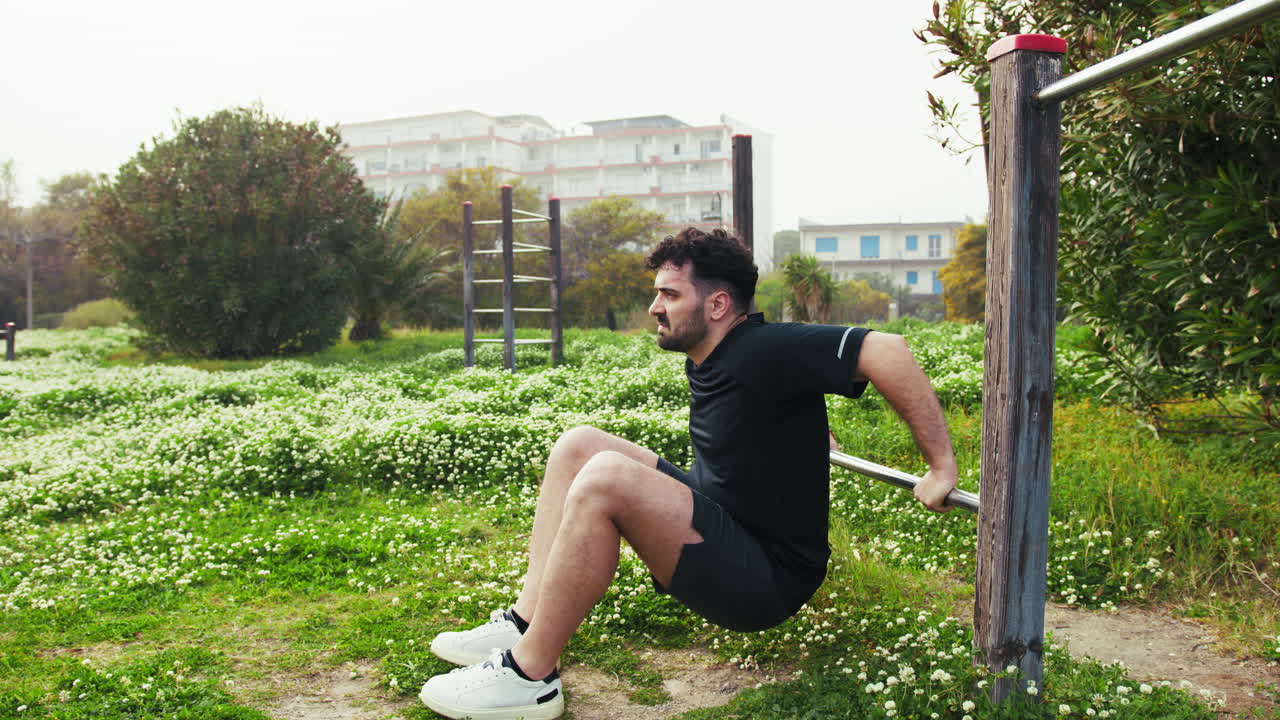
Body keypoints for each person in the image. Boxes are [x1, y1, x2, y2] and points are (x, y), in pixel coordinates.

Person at [418, 228, 959, 720]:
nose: (656, 307)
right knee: (579, 447)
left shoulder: (761, 347)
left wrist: (940, 466)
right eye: (658, 293)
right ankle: (522, 622)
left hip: (763, 578)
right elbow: (771, 403)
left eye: (670, 295)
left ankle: (529, 675)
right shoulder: (715, 351)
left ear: (718, 303)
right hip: (724, 521)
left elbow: (887, 351)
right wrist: (803, 429)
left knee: (606, 476)